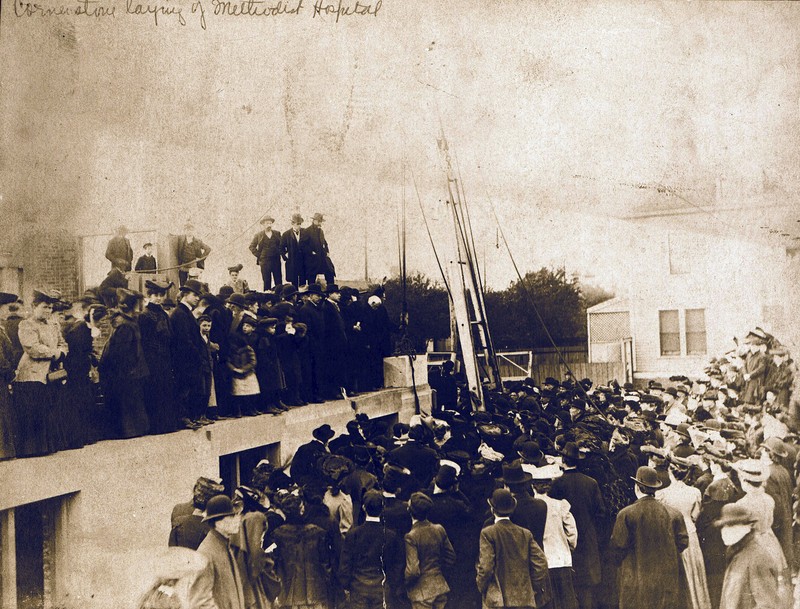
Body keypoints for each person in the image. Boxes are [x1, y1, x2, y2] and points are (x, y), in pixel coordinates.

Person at [611, 466, 689, 609]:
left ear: (637, 487)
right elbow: (682, 542)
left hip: (635, 579)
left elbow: (617, 547)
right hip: (666, 578)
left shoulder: (626, 514)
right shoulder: (673, 513)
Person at [549, 442, 605, 609]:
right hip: (588, 538)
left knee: (568, 586)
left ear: (563, 460)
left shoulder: (557, 484)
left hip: (565, 538)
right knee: (587, 585)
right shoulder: (591, 483)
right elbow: (601, 513)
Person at [13, 289, 67, 457]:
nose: (48, 311)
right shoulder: (26, 325)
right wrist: (54, 353)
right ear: (34, 306)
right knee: (32, 411)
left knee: (46, 410)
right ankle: (31, 449)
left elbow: (63, 343)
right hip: (31, 374)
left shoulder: (53, 325)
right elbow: (32, 348)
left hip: (48, 373)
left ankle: (46, 446)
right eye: (44, 307)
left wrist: (62, 352)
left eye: (50, 308)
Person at [476, 488, 549, 609]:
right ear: (512, 509)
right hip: (524, 597)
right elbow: (541, 563)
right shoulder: (525, 533)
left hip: (499, 599)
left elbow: (486, 567)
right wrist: (532, 586)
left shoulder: (488, 533)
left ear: (492, 509)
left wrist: (482, 587)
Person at [656, 456, 711, 609]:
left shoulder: (662, 495)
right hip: (690, 532)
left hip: (672, 534)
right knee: (693, 571)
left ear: (670, 473)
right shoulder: (694, 493)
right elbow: (695, 516)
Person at [714, 503, 792, 609]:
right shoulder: (737, 552)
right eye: (723, 526)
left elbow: (768, 604)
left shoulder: (757, 558)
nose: (725, 530)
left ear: (748, 526)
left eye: (732, 525)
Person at [339, 489, 405, 609]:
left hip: (358, 590)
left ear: (364, 508)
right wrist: (392, 586)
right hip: (382, 591)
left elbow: (345, 565)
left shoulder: (353, 534)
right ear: (383, 508)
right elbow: (398, 566)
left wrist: (348, 586)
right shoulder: (390, 535)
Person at [99, 289, 150, 439]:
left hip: (129, 371)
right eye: (138, 305)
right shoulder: (125, 326)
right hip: (126, 373)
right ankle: (129, 431)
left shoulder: (127, 322)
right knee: (127, 403)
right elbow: (120, 353)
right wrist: (130, 369)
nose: (140, 309)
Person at [270, 492, 333, 609]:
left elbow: (274, 564)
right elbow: (325, 565)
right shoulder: (317, 533)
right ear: (301, 510)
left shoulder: (278, 534)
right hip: (314, 591)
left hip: (288, 592)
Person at [529, 463, 579, 609]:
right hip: (561, 557)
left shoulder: (531, 506)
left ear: (533, 486)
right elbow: (572, 531)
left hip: (541, 560)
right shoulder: (560, 505)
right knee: (565, 601)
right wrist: (569, 546)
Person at [404, 491, 456, 609]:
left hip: (421, 593)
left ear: (410, 511)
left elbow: (412, 571)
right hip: (440, 586)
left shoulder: (411, 536)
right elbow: (451, 557)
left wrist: (406, 585)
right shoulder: (439, 529)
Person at [139, 279, 178, 434]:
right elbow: (145, 341)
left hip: (164, 359)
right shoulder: (145, 315)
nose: (158, 298)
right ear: (149, 295)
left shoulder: (163, 314)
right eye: (155, 295)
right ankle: (156, 426)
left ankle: (167, 425)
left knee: (165, 391)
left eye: (161, 295)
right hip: (152, 360)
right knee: (154, 392)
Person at [196, 495, 246, 609]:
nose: (237, 520)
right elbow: (200, 600)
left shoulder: (224, 546)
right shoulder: (206, 552)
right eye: (232, 516)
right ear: (218, 522)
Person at [170, 279, 208, 429]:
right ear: (185, 294)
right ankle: (183, 417)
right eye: (195, 295)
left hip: (189, 360)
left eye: (198, 295)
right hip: (184, 360)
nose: (197, 298)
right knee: (184, 389)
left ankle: (190, 416)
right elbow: (184, 340)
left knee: (190, 389)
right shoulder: (180, 313)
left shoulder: (186, 312)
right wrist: (197, 355)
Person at [249, 215, 283, 290]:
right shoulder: (258, 235)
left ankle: (280, 298)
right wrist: (259, 255)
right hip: (265, 262)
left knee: (278, 280)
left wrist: (280, 253)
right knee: (267, 281)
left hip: (276, 260)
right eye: (267, 223)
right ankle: (267, 300)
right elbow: (251, 246)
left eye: (270, 223)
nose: (269, 225)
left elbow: (282, 245)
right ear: (263, 224)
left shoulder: (277, 233)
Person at [177, 223, 212, 287]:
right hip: (183, 264)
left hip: (193, 264)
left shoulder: (198, 241)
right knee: (182, 283)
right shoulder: (180, 239)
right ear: (184, 230)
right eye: (187, 230)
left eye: (191, 230)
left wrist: (200, 258)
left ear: (193, 231)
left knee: (193, 283)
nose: (189, 231)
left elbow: (208, 249)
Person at [303, 213, 334, 285]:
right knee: (311, 277)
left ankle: (331, 291)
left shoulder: (321, 231)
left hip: (322, 258)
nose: (320, 223)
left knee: (330, 272)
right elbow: (303, 245)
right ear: (314, 221)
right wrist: (311, 252)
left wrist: (327, 251)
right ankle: (312, 292)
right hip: (312, 259)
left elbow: (325, 242)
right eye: (319, 221)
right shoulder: (307, 231)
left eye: (321, 221)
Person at [281, 213, 308, 287]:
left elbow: (309, 244)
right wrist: (286, 257)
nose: (299, 226)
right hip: (292, 261)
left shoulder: (305, 232)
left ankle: (303, 296)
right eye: (297, 224)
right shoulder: (286, 234)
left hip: (303, 261)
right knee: (294, 280)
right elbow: (281, 248)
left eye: (300, 224)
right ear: (292, 223)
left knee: (303, 280)